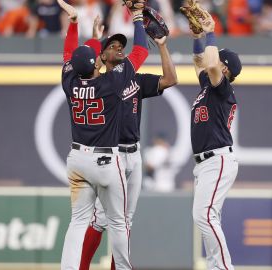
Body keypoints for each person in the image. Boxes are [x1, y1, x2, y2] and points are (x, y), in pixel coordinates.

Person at [78, 12, 178, 270]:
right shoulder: (103, 82)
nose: (119, 50)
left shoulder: (133, 79)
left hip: (134, 153)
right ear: (101, 57)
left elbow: (171, 80)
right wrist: (134, 20)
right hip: (111, 155)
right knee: (102, 218)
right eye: (113, 47)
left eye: (121, 46)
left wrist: (164, 47)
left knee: (126, 221)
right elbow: (139, 51)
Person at [56, 0, 149, 268]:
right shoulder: (111, 83)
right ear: (96, 63)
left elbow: (70, 56)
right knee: (119, 221)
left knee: (78, 222)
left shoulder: (69, 81)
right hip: (106, 162)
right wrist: (139, 17)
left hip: (76, 159)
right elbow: (140, 51)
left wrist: (75, 24)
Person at [188, 9, 241, 270]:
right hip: (207, 161)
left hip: (217, 158)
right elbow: (200, 61)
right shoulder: (210, 86)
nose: (213, 58)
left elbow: (209, 64)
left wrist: (210, 32)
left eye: (218, 58)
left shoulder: (222, 87)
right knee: (206, 217)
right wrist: (198, 36)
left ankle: (223, 268)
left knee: (205, 216)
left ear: (225, 67)